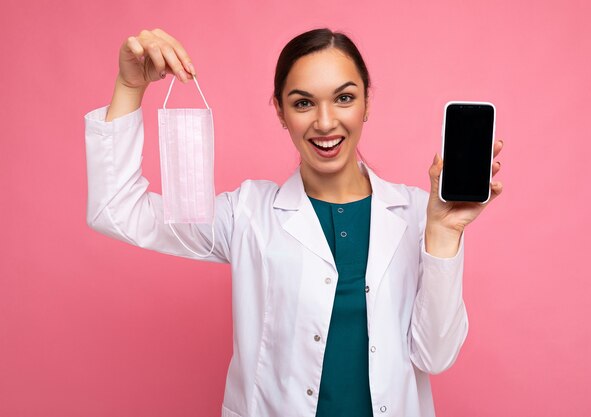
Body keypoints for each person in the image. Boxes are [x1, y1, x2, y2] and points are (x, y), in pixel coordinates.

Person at [85, 28, 503, 417]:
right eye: (303, 102)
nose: (324, 122)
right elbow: (118, 209)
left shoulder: (418, 215)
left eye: (344, 98)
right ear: (281, 112)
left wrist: (444, 234)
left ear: (367, 103)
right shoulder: (247, 214)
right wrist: (130, 86)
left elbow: (436, 355)